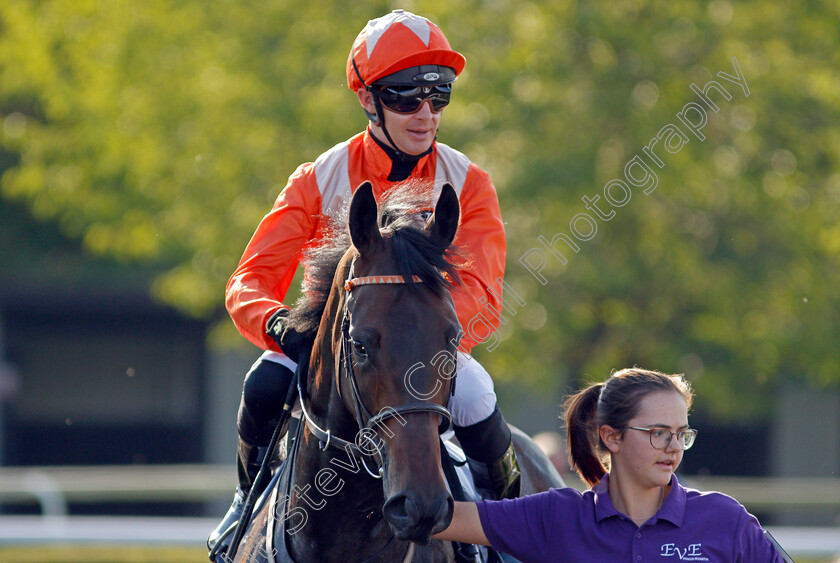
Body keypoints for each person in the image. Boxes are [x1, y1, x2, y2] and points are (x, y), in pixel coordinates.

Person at [208, 9, 520, 550]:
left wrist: (417, 342)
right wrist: (278, 323)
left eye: (438, 96)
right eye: (405, 97)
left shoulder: (468, 183)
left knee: (475, 393)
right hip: (329, 345)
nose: (425, 114)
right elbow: (249, 279)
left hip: (425, 350)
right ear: (368, 99)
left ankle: (510, 529)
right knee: (262, 381)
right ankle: (246, 504)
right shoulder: (317, 179)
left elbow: (484, 295)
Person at [436, 368, 787, 562]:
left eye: (682, 434)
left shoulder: (725, 519)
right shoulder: (556, 516)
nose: (674, 447)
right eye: (658, 433)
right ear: (612, 437)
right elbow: (434, 517)